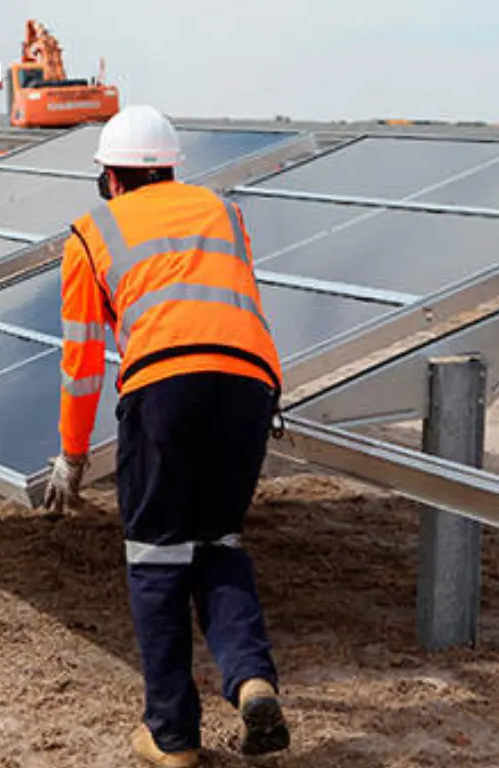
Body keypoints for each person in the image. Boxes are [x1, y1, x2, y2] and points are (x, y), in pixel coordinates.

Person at [43, 104, 292, 764]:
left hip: (163, 389)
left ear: (111, 179)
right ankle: (252, 680)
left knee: (156, 557)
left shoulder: (90, 234)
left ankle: (172, 735)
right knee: (218, 541)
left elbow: (82, 361)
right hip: (249, 384)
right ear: (172, 168)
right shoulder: (223, 213)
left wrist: (72, 454)